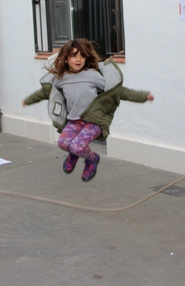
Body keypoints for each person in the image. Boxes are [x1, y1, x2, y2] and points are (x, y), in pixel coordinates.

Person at [23, 39, 154, 182]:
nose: (78, 59)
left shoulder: (93, 75)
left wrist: (143, 96)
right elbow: (46, 92)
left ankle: (92, 159)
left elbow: (116, 91)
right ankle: (73, 154)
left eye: (82, 56)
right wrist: (28, 100)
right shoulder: (61, 79)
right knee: (63, 143)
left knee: (78, 146)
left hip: (94, 121)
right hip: (74, 120)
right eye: (74, 55)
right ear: (66, 59)